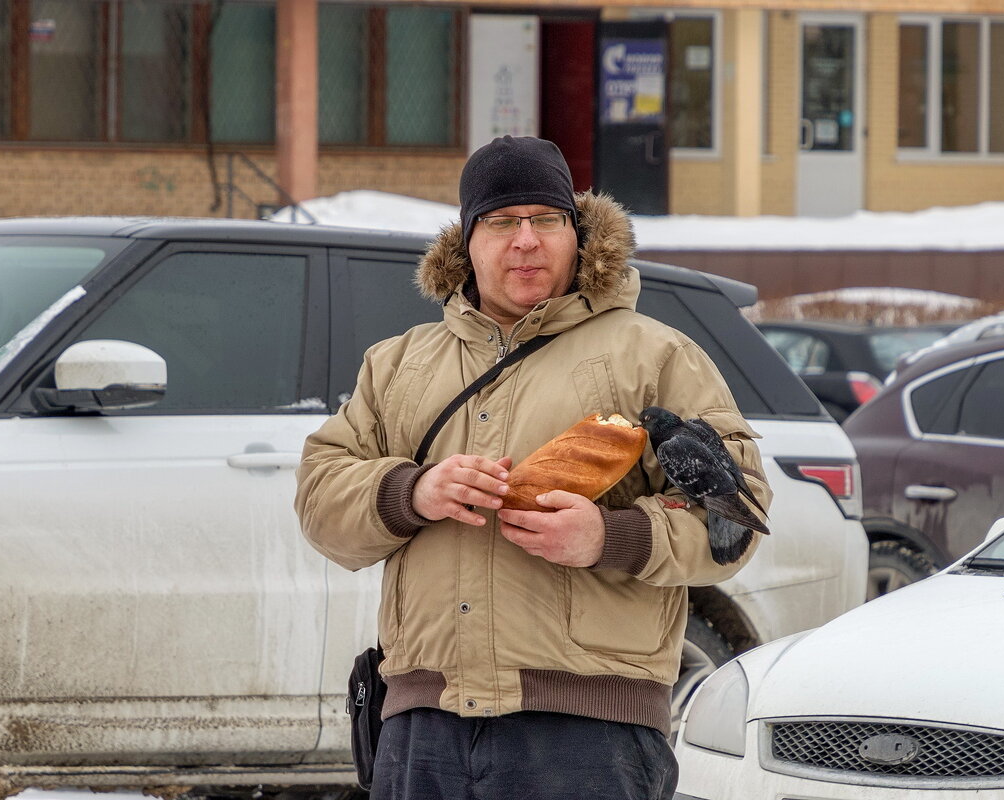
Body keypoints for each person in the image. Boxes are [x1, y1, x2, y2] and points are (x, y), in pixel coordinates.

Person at [294, 135, 771, 800]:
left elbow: (735, 522)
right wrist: (412, 491)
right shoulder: (399, 364)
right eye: (501, 222)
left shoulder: (654, 357)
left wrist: (611, 538)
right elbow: (319, 497)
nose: (525, 241)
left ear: (576, 234)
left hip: (589, 733)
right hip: (423, 724)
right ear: (466, 240)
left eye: (544, 220)